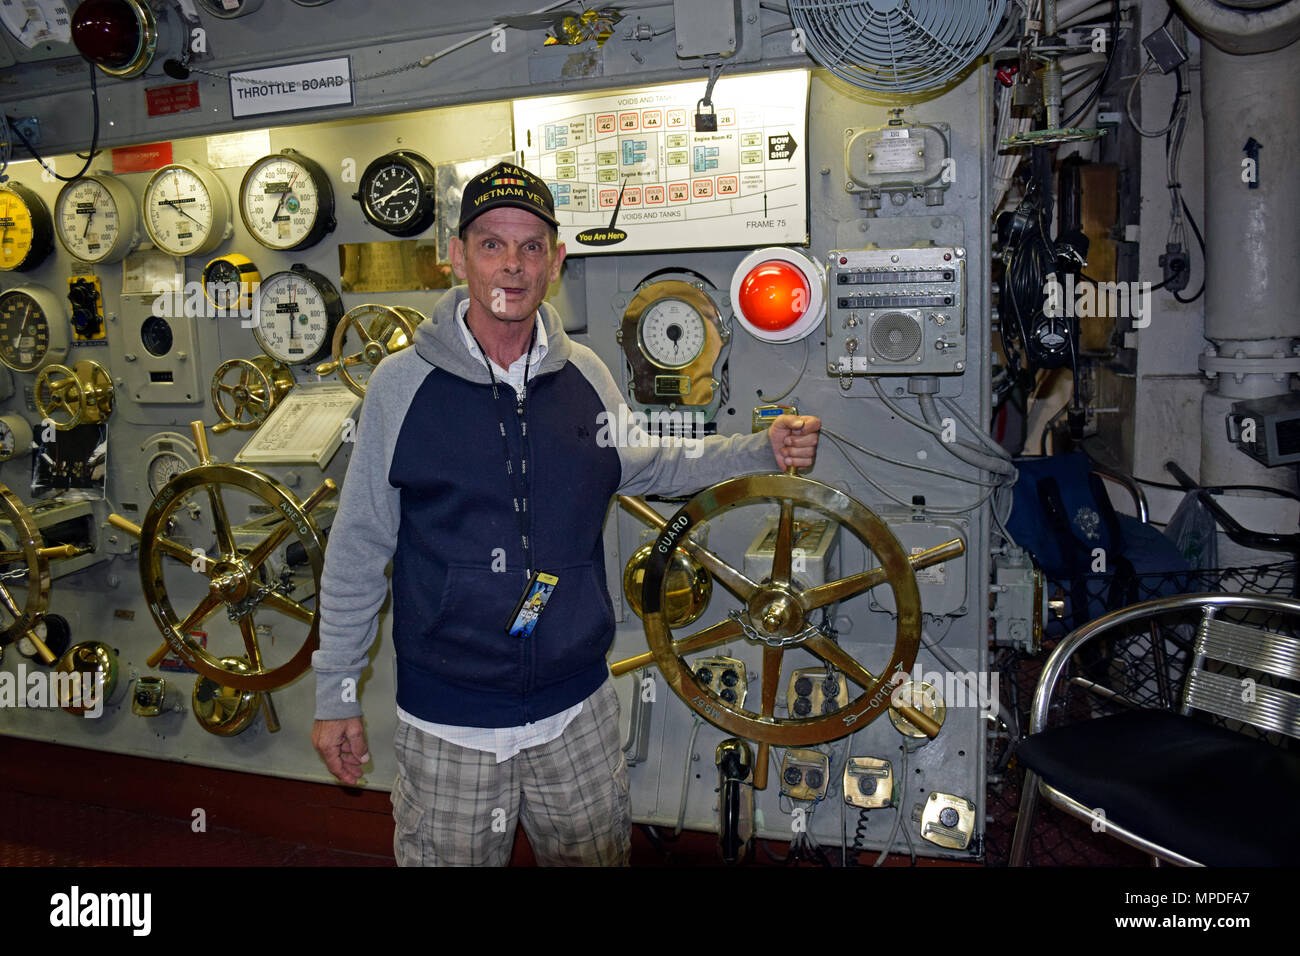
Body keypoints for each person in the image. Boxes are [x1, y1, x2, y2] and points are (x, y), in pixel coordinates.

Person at [311, 161, 821, 866]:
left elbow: (651, 464)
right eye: (492, 244)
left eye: (531, 247)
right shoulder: (401, 387)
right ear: (456, 256)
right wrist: (336, 691)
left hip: (576, 710)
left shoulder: (586, 375)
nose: (512, 267)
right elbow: (358, 549)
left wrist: (759, 448)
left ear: (555, 261)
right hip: (450, 717)